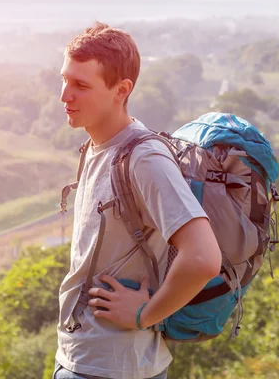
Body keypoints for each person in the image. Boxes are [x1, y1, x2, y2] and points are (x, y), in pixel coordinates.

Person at [54, 23, 223, 379]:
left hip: (113, 367)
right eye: (65, 80)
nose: (65, 96)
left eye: (81, 85)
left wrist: (144, 315)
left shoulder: (144, 159)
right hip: (83, 356)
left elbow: (204, 257)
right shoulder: (97, 146)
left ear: (122, 90)